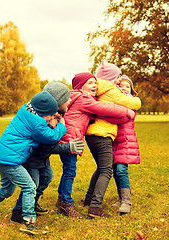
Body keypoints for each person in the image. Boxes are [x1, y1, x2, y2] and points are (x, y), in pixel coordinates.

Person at [0, 91, 66, 235]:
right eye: (50, 115)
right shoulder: (37, 124)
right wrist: (61, 123)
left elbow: (44, 121)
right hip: (11, 161)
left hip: (2, 157)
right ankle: (28, 223)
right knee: (30, 187)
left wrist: (51, 118)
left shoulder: (26, 109)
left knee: (7, 189)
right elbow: (52, 136)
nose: (51, 117)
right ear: (42, 113)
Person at [57, 72, 135, 218]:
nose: (95, 85)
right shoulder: (84, 98)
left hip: (73, 137)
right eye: (90, 83)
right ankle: (88, 206)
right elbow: (105, 108)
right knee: (101, 171)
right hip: (74, 139)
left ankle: (69, 200)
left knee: (74, 170)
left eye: (95, 82)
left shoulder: (77, 96)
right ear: (81, 86)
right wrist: (127, 111)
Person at [11, 82, 85, 223]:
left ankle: (33, 202)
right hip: (33, 158)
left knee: (47, 177)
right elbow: (46, 146)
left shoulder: (57, 115)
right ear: (57, 102)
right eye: (67, 99)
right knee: (32, 184)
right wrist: (68, 147)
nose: (70, 100)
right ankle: (18, 211)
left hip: (42, 159)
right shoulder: (45, 119)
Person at [84, 60, 141, 218]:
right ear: (111, 77)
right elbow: (133, 103)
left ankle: (89, 200)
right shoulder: (111, 89)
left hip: (92, 134)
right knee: (107, 170)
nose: (119, 82)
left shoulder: (97, 89)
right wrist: (133, 104)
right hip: (104, 134)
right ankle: (96, 206)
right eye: (117, 78)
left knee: (102, 168)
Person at [111, 75, 140, 215]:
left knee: (121, 169)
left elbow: (121, 115)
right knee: (116, 170)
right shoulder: (114, 101)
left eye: (127, 86)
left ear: (131, 90)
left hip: (126, 140)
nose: (124, 88)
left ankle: (127, 202)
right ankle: (121, 197)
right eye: (121, 85)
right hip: (114, 140)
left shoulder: (132, 103)